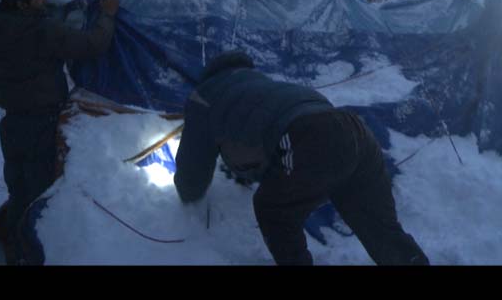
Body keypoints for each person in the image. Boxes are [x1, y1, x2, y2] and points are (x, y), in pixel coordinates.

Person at [174, 50, 430, 265]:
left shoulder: (204, 97)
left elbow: (192, 167)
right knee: (382, 230)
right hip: (356, 132)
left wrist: (187, 199)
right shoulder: (263, 85)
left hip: (309, 135)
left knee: (273, 210)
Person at [0, 0, 120, 264]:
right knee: (38, 193)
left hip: (12, 123)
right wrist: (107, 15)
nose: (44, 1)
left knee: (18, 189)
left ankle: (12, 250)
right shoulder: (41, 30)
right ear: (22, 4)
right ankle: (30, 257)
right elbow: (92, 45)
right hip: (39, 123)